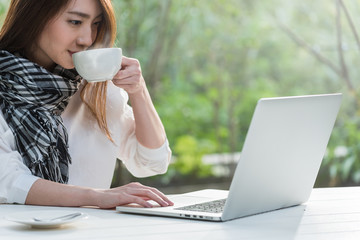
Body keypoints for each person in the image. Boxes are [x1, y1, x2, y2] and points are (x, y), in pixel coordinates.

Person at [0, 0, 173, 209]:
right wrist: (98, 197)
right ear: (34, 16)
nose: (87, 39)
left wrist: (139, 91)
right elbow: (8, 181)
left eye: (96, 24)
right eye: (74, 21)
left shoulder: (95, 86)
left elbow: (152, 161)